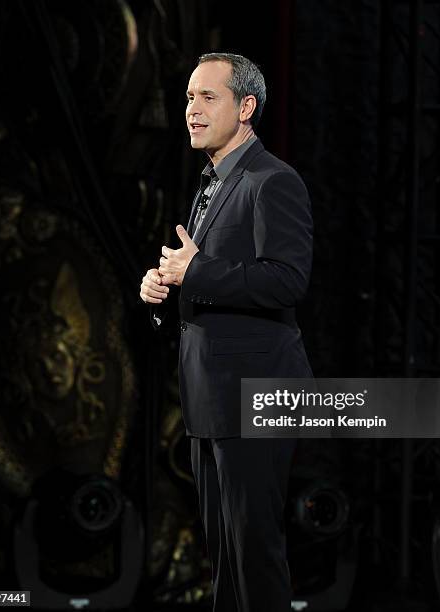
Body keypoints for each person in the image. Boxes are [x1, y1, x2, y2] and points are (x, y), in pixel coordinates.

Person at [140, 53, 313, 612]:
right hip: (212, 397)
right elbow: (207, 280)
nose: (191, 110)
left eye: (206, 98)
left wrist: (197, 272)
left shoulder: (272, 181)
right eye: (189, 97)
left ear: (246, 107)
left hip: (257, 393)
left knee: (255, 554)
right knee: (225, 557)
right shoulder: (212, 182)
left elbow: (288, 280)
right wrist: (163, 289)